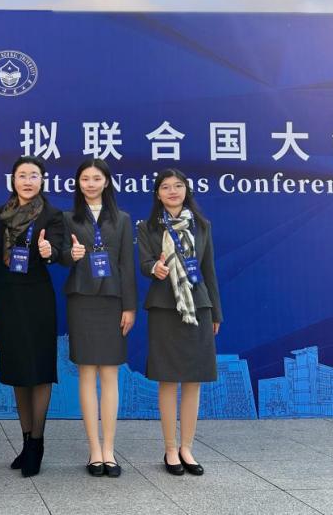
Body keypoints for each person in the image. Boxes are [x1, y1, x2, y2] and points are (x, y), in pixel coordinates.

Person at [137, 168, 222, 477]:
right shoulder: (147, 227)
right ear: (157, 194)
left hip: (197, 308)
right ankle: (170, 449)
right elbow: (145, 263)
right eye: (165, 187)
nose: (172, 191)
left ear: (186, 190)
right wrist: (155, 269)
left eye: (178, 186)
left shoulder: (202, 226)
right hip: (164, 307)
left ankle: (187, 447)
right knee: (168, 379)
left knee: (193, 380)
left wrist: (216, 312)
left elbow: (209, 270)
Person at [0, 156, 65, 477]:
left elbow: (56, 250)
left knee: (39, 369)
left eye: (33, 175)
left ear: (42, 181)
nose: (27, 181)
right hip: (7, 296)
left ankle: (38, 444)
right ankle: (26, 441)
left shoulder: (52, 215)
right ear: (13, 180)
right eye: (22, 175)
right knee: (18, 369)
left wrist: (49, 252)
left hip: (37, 296)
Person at [60, 158, 137, 478]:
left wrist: (129, 307)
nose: (90, 184)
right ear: (78, 184)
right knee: (87, 374)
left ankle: (109, 449)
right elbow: (61, 256)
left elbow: (127, 265)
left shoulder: (122, 219)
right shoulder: (68, 218)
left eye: (96, 179)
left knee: (110, 375)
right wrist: (71, 255)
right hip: (81, 300)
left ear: (106, 182)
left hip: (113, 301)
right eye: (85, 179)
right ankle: (94, 450)